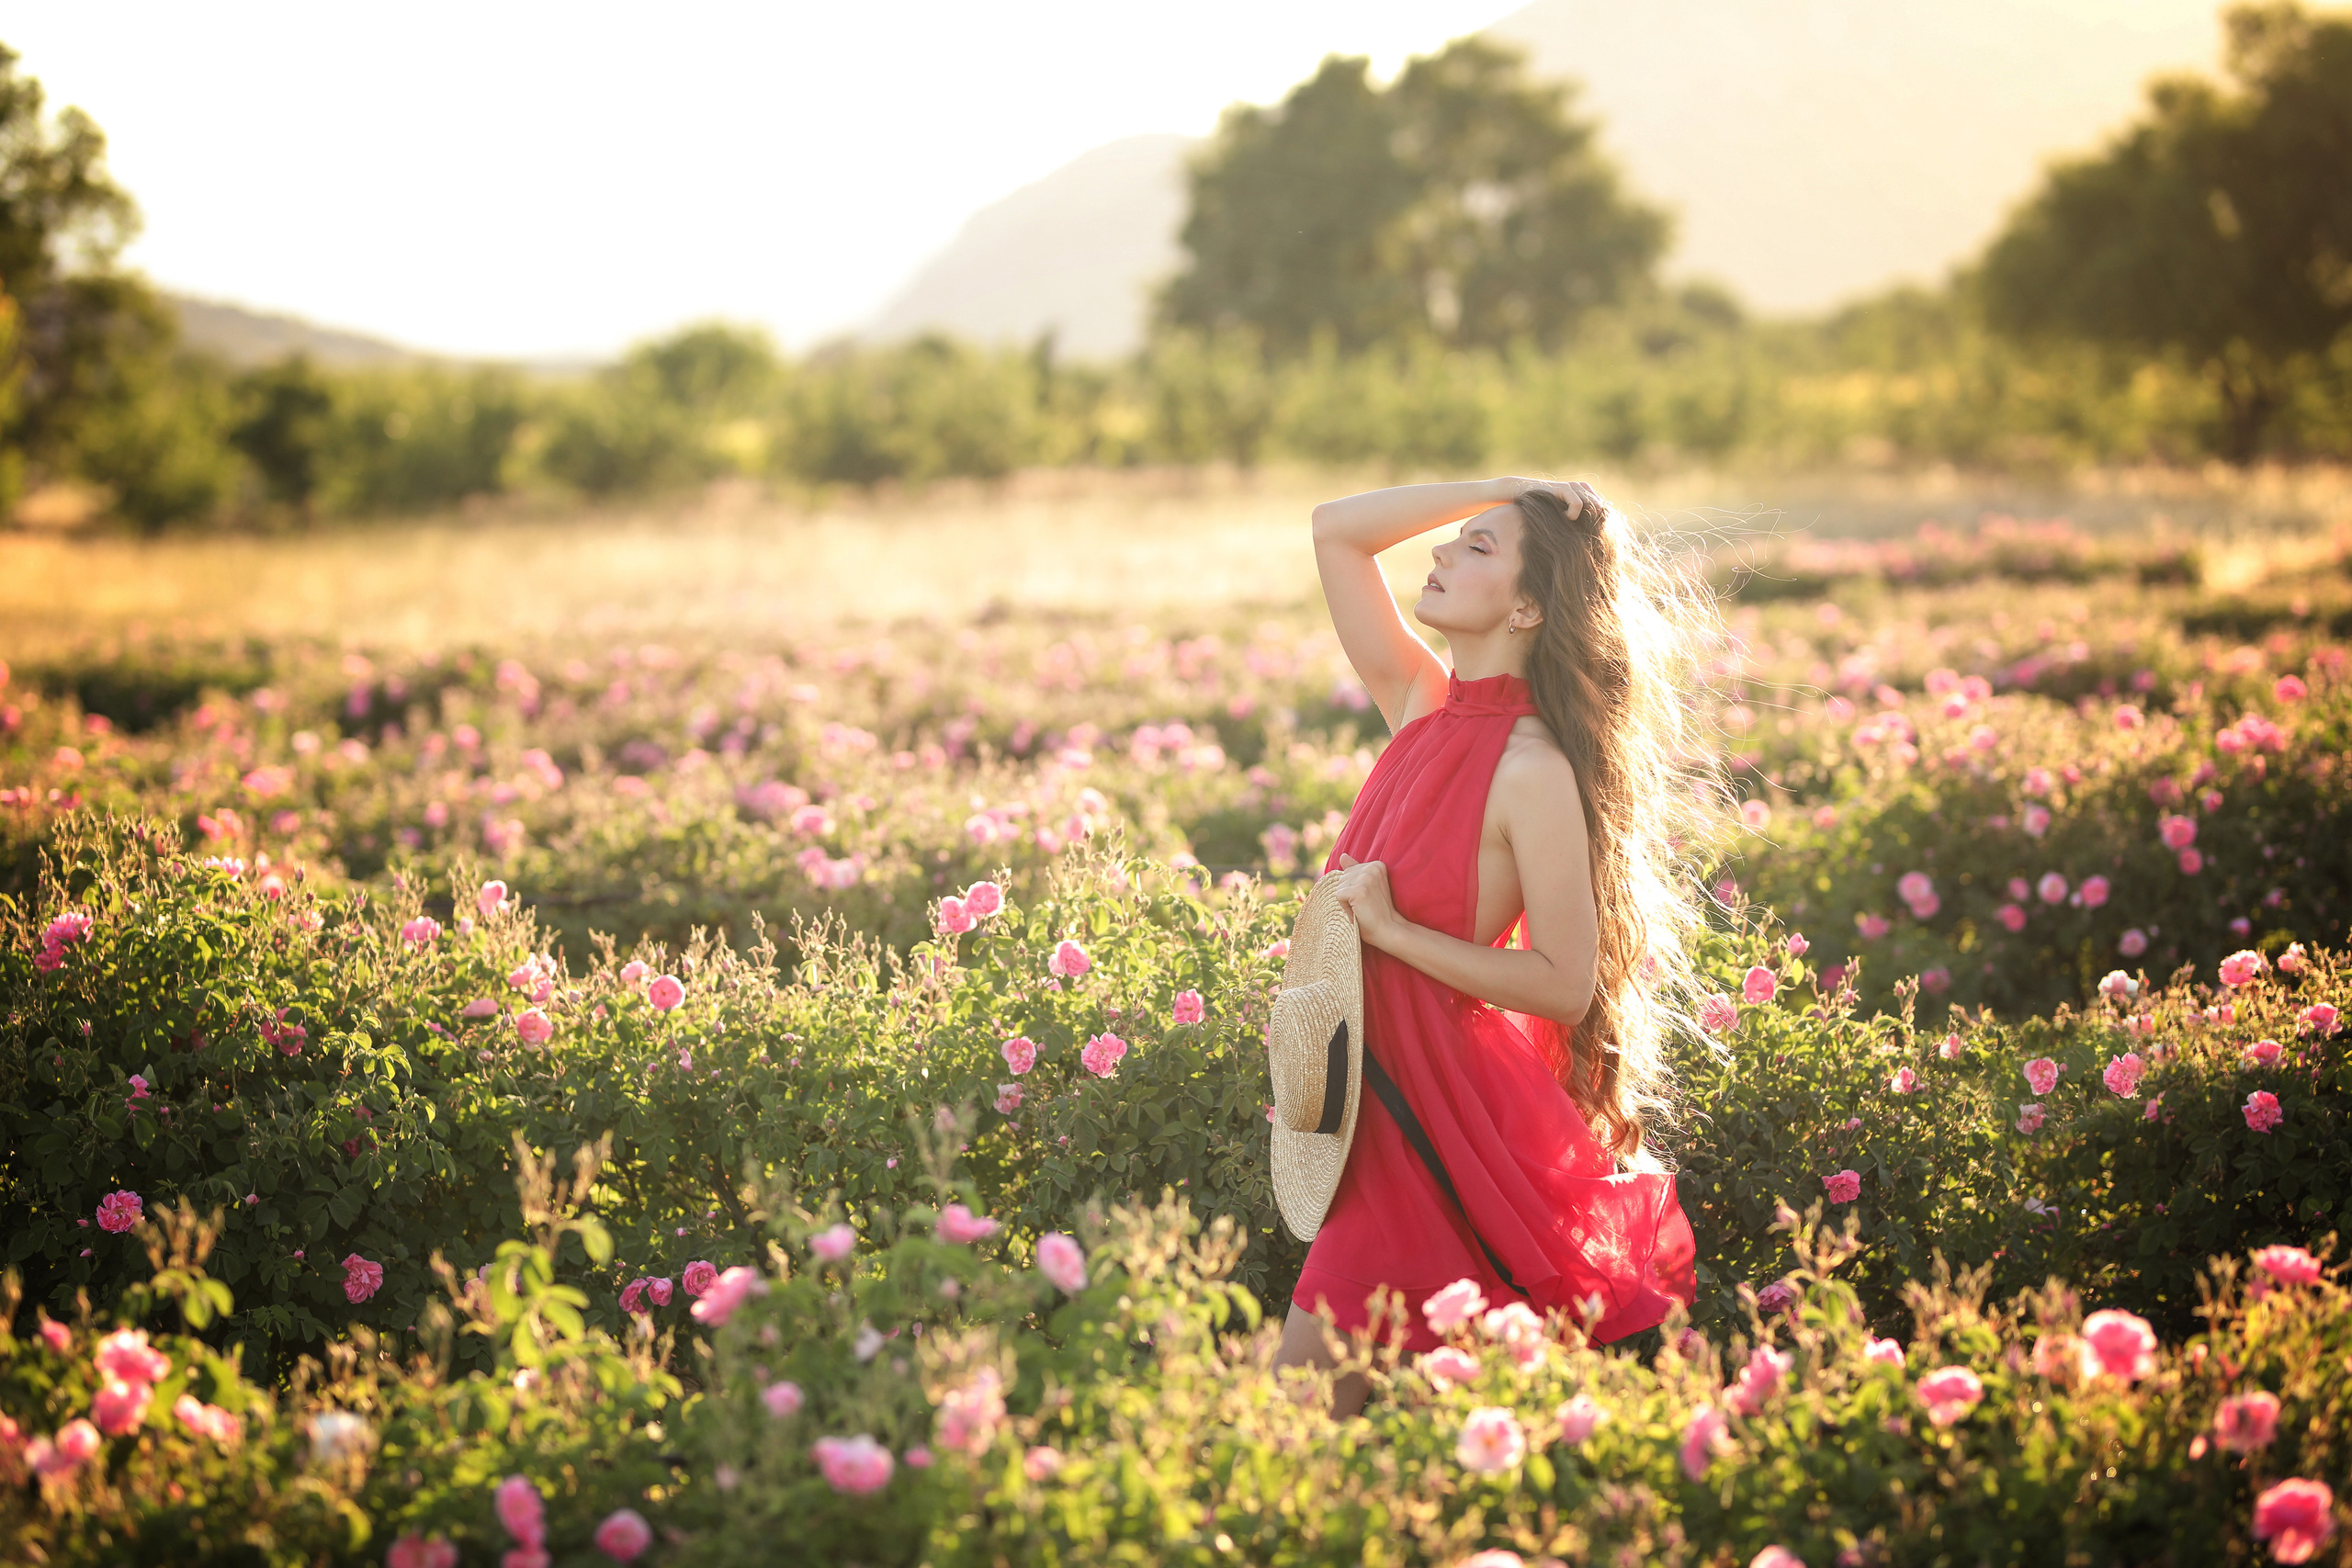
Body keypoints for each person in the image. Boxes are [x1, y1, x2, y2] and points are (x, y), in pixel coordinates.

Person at [1275, 475, 1715, 1416]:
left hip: (1438, 1123)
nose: (1438, 554)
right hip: (1367, 1111)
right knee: (1362, 1445)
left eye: (1477, 549)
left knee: (1304, 1426)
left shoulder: (1533, 770)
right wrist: (1505, 491)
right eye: (1454, 541)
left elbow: (1561, 984)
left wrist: (1392, 932)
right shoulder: (1422, 707)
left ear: (1526, 606)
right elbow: (1335, 533)